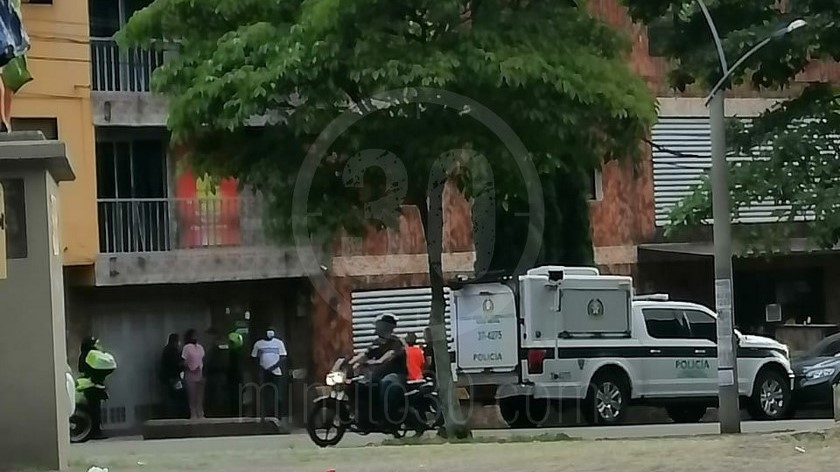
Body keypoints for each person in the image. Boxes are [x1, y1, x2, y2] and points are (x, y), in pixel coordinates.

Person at [350, 313, 407, 427]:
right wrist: (350, 363)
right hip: (380, 374)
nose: (376, 328)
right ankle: (364, 417)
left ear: (387, 327)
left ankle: (387, 419)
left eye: (379, 325)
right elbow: (365, 354)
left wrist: (376, 362)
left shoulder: (397, 342)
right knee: (360, 385)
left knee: (386, 384)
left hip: (395, 375)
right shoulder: (377, 342)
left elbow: (390, 355)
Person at [251, 326, 287, 422]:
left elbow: (283, 357)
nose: (269, 333)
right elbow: (254, 358)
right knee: (265, 394)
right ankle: (265, 414)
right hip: (263, 372)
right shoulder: (258, 344)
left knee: (277, 394)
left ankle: (278, 415)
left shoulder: (279, 343)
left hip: (276, 372)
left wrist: (273, 367)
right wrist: (261, 368)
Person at [159, 333, 186, 418]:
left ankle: (172, 414)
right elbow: (176, 364)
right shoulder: (173, 351)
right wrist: (183, 365)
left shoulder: (167, 350)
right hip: (173, 378)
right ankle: (175, 415)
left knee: (171, 396)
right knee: (176, 396)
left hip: (168, 377)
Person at [181, 329, 206, 419]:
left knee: (200, 395)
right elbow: (184, 361)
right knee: (192, 395)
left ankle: (200, 412)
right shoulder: (186, 348)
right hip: (190, 373)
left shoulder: (200, 347)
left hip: (200, 372)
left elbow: (203, 359)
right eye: (193, 335)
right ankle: (193, 413)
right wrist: (190, 368)